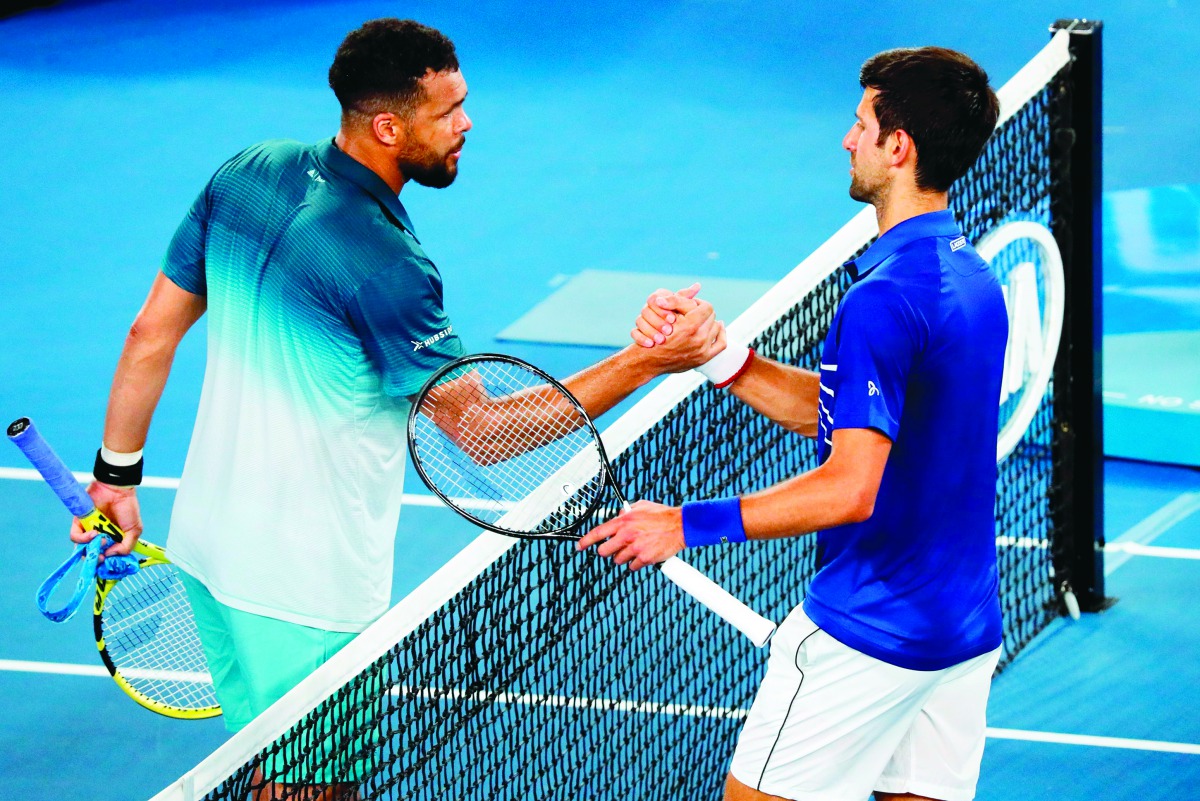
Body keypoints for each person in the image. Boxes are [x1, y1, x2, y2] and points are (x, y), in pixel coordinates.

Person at [68, 17, 723, 798]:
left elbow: (149, 333)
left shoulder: (248, 173)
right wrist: (649, 360)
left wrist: (116, 475)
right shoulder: (385, 265)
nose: (466, 123)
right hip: (304, 585)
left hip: (207, 550)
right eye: (448, 111)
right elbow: (481, 432)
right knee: (311, 788)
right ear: (388, 127)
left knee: (277, 774)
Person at [580, 46, 1005, 801]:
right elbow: (863, 419)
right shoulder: (972, 279)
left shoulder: (881, 301)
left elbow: (849, 488)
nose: (847, 139)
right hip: (963, 629)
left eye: (862, 123)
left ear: (897, 147)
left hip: (867, 634)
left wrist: (683, 523)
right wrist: (720, 357)